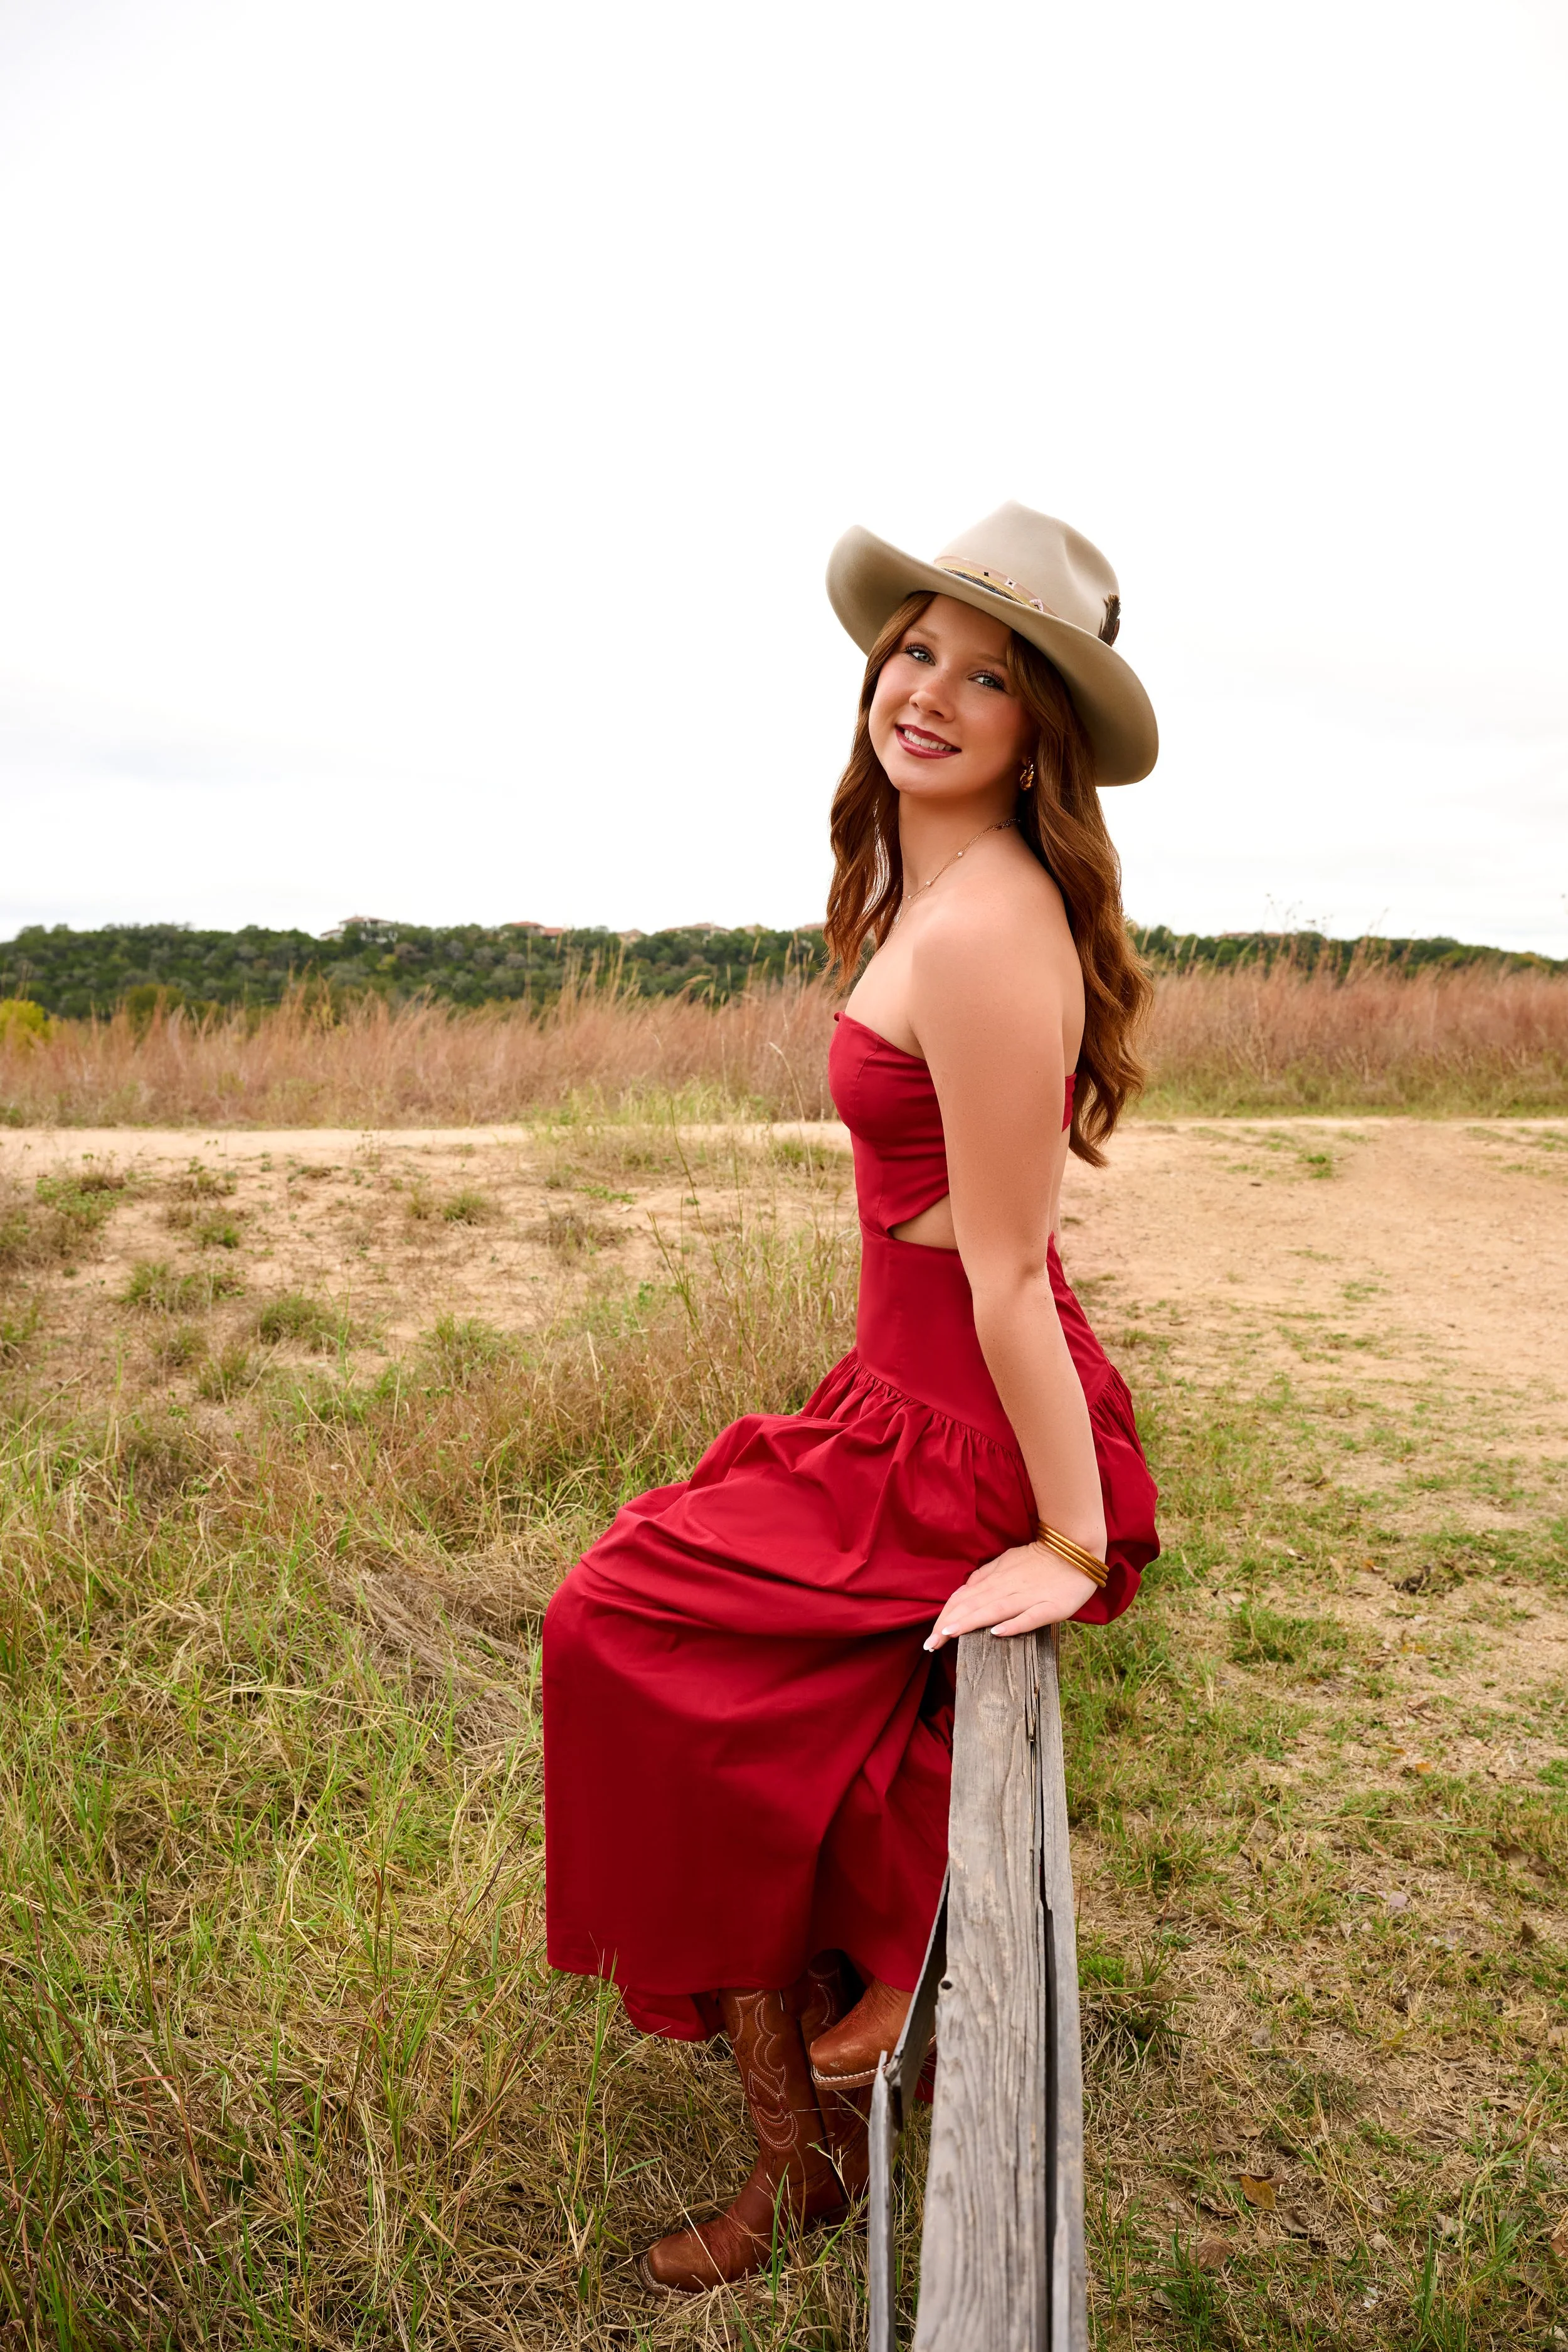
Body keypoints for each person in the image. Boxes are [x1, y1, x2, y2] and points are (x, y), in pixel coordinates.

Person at [543, 502, 1162, 2295]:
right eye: (915, 650)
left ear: (1042, 728)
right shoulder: (940, 893)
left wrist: (1067, 1531)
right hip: (895, 1390)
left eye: (989, 674)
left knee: (617, 1628)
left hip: (961, 1426)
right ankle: (802, 2136)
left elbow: (1003, 1271)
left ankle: (810, 2130)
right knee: (649, 1632)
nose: (932, 690)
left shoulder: (980, 929)